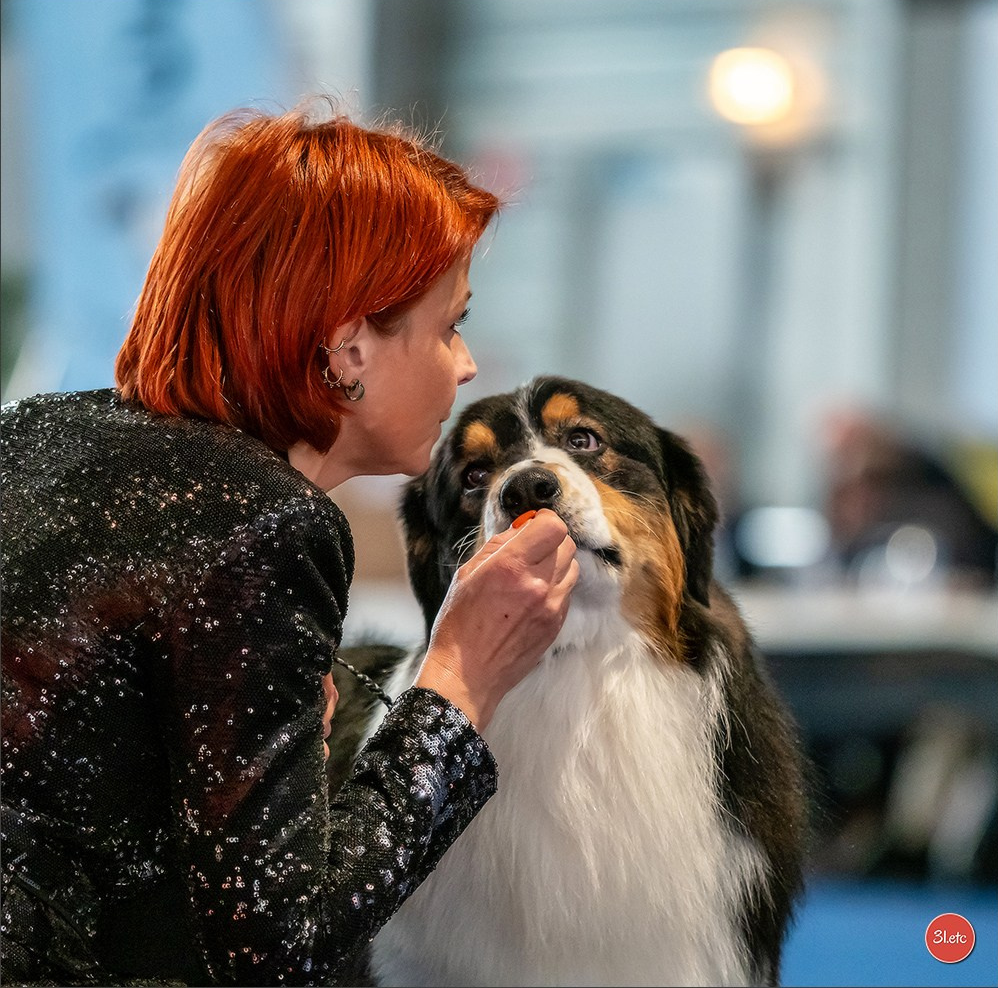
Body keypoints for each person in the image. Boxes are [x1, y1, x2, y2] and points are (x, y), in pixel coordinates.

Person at [0, 101, 579, 986]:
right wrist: (461, 679)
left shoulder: (30, 431)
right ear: (348, 349)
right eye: (449, 325)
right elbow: (278, 947)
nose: (465, 366)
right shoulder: (266, 520)